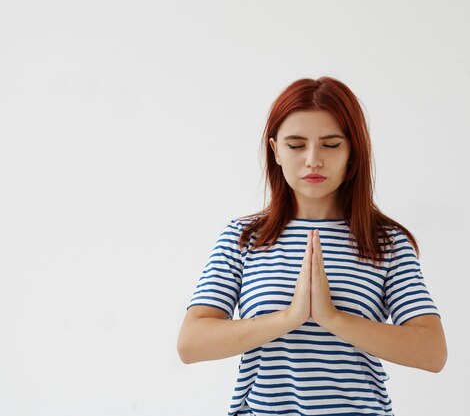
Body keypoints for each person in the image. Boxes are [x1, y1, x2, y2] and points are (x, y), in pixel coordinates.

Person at [177, 76, 447, 415]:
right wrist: (289, 317)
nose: (313, 160)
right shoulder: (243, 237)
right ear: (275, 150)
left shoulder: (386, 243)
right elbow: (191, 343)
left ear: (352, 152)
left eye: (331, 145)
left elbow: (432, 351)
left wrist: (332, 318)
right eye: (295, 145)